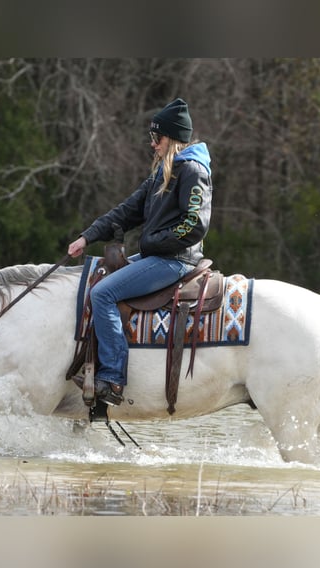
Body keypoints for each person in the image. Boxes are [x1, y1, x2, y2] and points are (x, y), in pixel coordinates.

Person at [67, 98, 213, 406]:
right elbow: (126, 212)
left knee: (103, 294)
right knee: (96, 279)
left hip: (176, 262)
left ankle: (113, 380)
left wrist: (155, 242)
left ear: (171, 138)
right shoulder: (162, 174)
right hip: (157, 257)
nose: (152, 144)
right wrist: (87, 236)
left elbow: (195, 224)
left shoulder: (193, 171)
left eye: (156, 138)